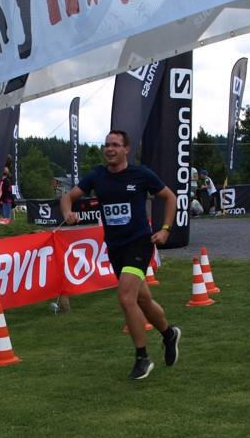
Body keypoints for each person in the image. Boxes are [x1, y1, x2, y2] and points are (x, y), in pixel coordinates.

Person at [59, 129, 181, 380]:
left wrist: (166, 229)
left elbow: (170, 197)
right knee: (142, 300)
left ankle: (142, 358)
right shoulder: (97, 176)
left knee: (126, 297)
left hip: (139, 242)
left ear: (127, 149)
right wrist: (68, 213)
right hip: (115, 247)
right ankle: (169, 334)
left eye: (115, 145)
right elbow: (68, 198)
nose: (109, 149)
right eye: (106, 145)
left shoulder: (141, 174)